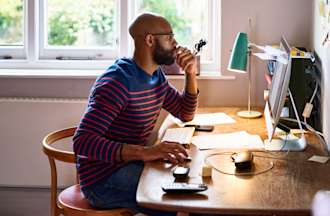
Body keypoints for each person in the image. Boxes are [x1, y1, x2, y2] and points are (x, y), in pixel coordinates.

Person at [73, 13, 198, 215]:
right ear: (150, 40)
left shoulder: (156, 77)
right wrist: (146, 152)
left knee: (188, 185)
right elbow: (82, 142)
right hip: (102, 180)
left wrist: (191, 73)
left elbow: (185, 113)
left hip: (129, 165)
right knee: (174, 198)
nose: (176, 44)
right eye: (169, 37)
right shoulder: (117, 83)